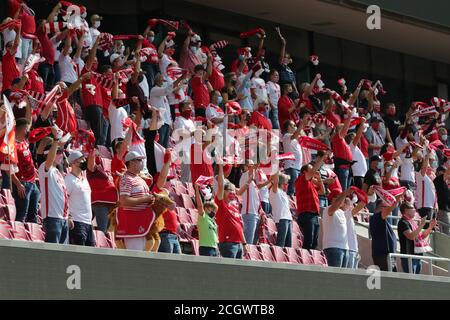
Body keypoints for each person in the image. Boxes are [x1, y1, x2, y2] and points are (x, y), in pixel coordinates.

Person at [117, 151, 156, 251]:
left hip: (141, 220)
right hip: (132, 223)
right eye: (139, 160)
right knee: (135, 256)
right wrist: (145, 199)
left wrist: (150, 200)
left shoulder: (140, 179)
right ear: (131, 162)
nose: (142, 162)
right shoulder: (126, 179)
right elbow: (124, 201)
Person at [38, 130, 69, 244]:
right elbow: (49, 160)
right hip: (52, 217)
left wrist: (68, 216)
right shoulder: (45, 168)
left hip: (63, 218)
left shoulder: (58, 172)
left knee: (61, 255)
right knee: (52, 254)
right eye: (58, 152)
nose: (61, 155)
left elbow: (63, 195)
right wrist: (56, 140)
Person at [295, 151, 327, 250]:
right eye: (310, 171)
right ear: (305, 172)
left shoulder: (310, 184)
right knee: (308, 242)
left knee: (314, 243)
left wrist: (320, 179)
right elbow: (313, 171)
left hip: (313, 215)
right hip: (306, 214)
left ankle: (311, 260)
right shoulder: (301, 180)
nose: (313, 173)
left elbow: (322, 191)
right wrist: (322, 158)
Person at [215, 163, 247, 259]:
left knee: (238, 273)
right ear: (223, 191)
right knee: (228, 272)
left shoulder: (235, 207)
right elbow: (220, 185)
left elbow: (239, 226)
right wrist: (220, 166)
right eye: (229, 190)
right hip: (228, 243)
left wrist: (244, 244)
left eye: (233, 190)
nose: (232, 192)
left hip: (238, 244)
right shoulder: (221, 204)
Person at [11, 116, 40, 223]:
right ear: (22, 129)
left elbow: (31, 122)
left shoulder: (25, 142)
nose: (29, 131)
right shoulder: (12, 146)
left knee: (33, 215)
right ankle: (18, 237)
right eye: (27, 129)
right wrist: (18, 185)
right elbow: (9, 169)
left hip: (33, 183)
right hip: (22, 184)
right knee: (22, 213)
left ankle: (32, 238)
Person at [65, 150, 96, 246]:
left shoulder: (84, 179)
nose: (84, 161)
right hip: (77, 222)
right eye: (81, 159)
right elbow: (64, 199)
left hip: (88, 222)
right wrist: (69, 216)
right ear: (73, 162)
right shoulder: (69, 179)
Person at [398, 202, 436, 274]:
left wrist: (430, 227)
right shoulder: (403, 222)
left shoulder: (412, 222)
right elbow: (411, 236)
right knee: (411, 282)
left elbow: (421, 236)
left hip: (417, 256)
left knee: (417, 281)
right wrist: (421, 225)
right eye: (412, 208)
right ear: (406, 210)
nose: (415, 210)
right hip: (409, 257)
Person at [369, 195, 402, 271]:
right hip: (383, 255)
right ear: (380, 207)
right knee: (387, 280)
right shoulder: (376, 217)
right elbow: (391, 207)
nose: (389, 211)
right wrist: (398, 198)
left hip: (388, 256)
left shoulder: (381, 219)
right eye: (386, 207)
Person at [322, 189, 353, 268]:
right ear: (333, 199)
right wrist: (344, 194)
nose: (343, 199)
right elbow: (335, 206)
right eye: (339, 197)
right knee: (335, 277)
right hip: (333, 247)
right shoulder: (328, 209)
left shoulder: (342, 212)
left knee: (342, 277)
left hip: (344, 248)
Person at [239, 161, 261, 245]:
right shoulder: (245, 176)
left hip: (254, 214)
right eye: (250, 166)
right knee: (249, 244)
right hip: (249, 214)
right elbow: (255, 166)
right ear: (245, 167)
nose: (253, 168)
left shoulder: (252, 182)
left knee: (252, 245)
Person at [331, 107, 353, 190]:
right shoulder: (337, 137)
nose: (345, 130)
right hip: (342, 168)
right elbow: (345, 129)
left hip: (346, 168)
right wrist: (349, 116)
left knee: (345, 192)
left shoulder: (342, 140)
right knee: (343, 192)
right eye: (342, 128)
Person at [195, 184, 219, 256]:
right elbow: (199, 205)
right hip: (206, 247)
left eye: (214, 210)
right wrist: (197, 190)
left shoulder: (213, 221)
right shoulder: (203, 217)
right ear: (206, 209)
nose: (213, 212)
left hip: (214, 248)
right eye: (212, 209)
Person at [269, 173, 293, 247]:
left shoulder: (283, 193)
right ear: (281, 182)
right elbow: (275, 181)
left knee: (289, 244)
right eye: (286, 182)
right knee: (281, 242)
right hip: (281, 219)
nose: (287, 184)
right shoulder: (274, 190)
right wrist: (275, 166)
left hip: (288, 219)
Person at [282, 119, 303, 196]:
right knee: (291, 190)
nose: (295, 127)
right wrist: (302, 124)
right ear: (288, 127)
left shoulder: (295, 138)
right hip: (291, 167)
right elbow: (295, 135)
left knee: (296, 191)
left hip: (297, 167)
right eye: (293, 125)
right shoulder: (286, 136)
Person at [1, 22, 21, 93]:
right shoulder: (7, 57)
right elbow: (16, 44)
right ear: (7, 48)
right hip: (8, 89)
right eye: (11, 46)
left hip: (14, 89)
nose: (14, 47)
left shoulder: (13, 60)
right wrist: (18, 30)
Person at [434, 166, 450, 235]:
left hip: (446, 211)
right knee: (446, 234)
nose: (445, 173)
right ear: (439, 172)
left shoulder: (444, 184)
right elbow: (448, 172)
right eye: (443, 171)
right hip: (442, 211)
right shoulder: (438, 180)